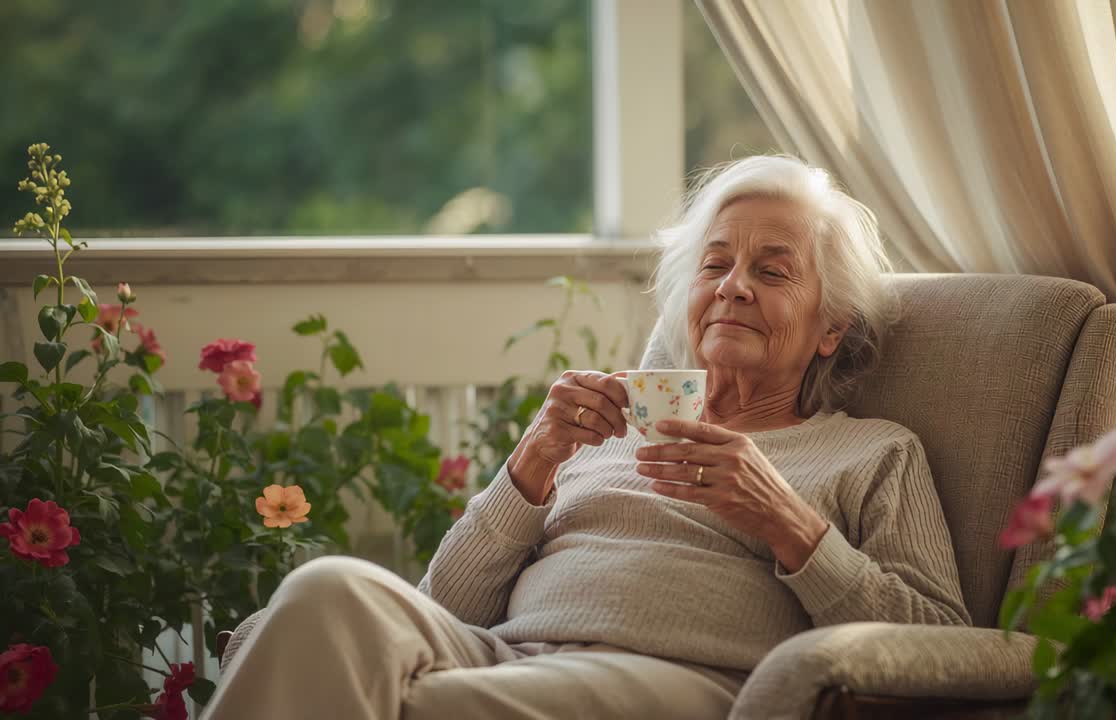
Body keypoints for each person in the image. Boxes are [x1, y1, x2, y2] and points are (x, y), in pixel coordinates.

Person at [204, 156, 970, 720]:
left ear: (831, 327)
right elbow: (445, 608)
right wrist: (532, 463)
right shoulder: (607, 427)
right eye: (715, 264)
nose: (733, 286)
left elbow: (942, 646)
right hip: (507, 656)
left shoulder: (873, 451)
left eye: (772, 273)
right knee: (326, 590)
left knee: (425, 705)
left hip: (677, 680)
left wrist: (786, 520)